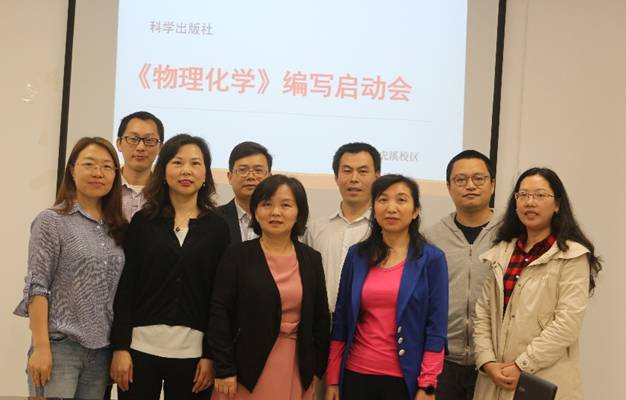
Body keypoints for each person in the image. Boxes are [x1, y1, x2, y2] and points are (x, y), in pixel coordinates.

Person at [110, 134, 230, 399]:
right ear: (163, 170)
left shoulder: (218, 227)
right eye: (177, 162)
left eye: (195, 163)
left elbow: (219, 297)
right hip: (139, 350)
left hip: (195, 356)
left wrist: (211, 355)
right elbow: (126, 287)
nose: (186, 170)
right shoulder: (143, 222)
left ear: (205, 173)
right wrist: (120, 347)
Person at [472, 167, 602, 400]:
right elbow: (483, 314)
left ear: (557, 205)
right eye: (523, 195)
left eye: (540, 195)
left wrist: (521, 365)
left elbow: (567, 325)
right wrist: (487, 361)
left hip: (543, 378)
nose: (530, 202)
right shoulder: (501, 252)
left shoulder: (572, 255)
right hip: (494, 378)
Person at [14, 137, 126, 399]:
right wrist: (41, 347)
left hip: (101, 352)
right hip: (60, 347)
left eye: (107, 166)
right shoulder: (52, 220)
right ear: (73, 170)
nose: (98, 173)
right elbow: (37, 286)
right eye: (89, 164)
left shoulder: (117, 226)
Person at [327, 174, 449, 400]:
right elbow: (342, 319)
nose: (391, 208)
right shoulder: (357, 255)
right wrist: (333, 379)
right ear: (374, 209)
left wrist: (428, 384)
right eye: (383, 200)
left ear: (415, 211)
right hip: (356, 373)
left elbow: (436, 327)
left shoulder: (432, 259)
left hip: (405, 379)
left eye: (401, 200)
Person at [209, 174, 330, 400]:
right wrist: (224, 368)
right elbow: (220, 313)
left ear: (299, 212)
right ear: (256, 211)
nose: (275, 212)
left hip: (297, 365)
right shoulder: (237, 255)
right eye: (267, 204)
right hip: (245, 368)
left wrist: (317, 369)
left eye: (285, 205)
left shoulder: (311, 258)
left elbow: (320, 318)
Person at [423, 150, 501, 400]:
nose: (470, 186)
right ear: (448, 186)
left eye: (479, 179)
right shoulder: (430, 237)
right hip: (443, 361)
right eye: (461, 179)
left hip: (494, 361)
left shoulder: (509, 233)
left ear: (492, 184)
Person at [217, 141, 273, 243]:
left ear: (269, 177)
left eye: (258, 170)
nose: (250, 176)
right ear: (230, 177)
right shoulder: (214, 218)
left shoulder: (279, 219)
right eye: (243, 170)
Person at [115, 111, 164, 221]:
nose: (140, 147)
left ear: (160, 147)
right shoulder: (105, 186)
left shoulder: (165, 192)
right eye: (133, 139)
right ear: (119, 143)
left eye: (150, 140)